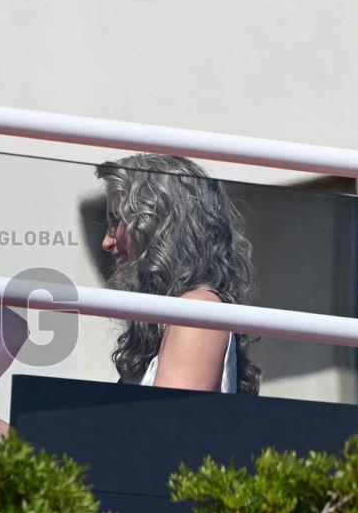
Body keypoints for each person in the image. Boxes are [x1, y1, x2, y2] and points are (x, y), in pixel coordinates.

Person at [97, 153, 260, 394]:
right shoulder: (169, 319)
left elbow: (169, 415)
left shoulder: (198, 310)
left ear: (157, 226)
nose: (106, 242)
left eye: (117, 221)